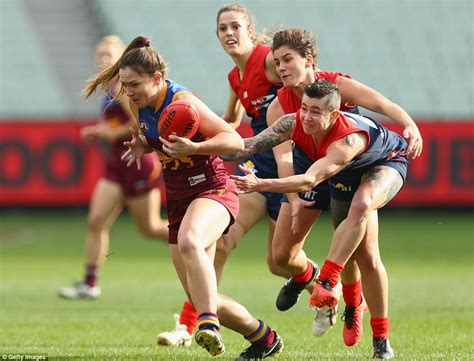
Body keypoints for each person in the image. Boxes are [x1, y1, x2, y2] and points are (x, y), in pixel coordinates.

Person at [83, 35, 284, 360]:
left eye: (133, 84)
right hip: (177, 196)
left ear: (157, 78)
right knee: (201, 294)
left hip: (213, 187)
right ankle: (263, 336)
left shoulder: (183, 102)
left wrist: (196, 148)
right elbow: (151, 134)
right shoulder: (137, 101)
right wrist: (142, 145)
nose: (127, 92)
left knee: (192, 242)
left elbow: (234, 141)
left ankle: (208, 327)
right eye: (124, 85)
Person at [157, 4, 334, 346]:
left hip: (289, 173)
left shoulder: (267, 60)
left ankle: (325, 289)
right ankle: (190, 325)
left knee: (280, 263)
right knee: (219, 243)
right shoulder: (235, 78)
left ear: (250, 31)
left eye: (235, 26)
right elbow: (228, 121)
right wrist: (196, 137)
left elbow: (308, 79)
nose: (229, 33)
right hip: (257, 175)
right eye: (222, 28)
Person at [264, 28, 422, 344]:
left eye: (287, 60)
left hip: (354, 171)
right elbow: (284, 160)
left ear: (308, 60)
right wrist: (293, 198)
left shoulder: (337, 85)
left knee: (363, 253)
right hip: (311, 171)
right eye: (276, 62)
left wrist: (410, 124)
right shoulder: (278, 107)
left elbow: (381, 103)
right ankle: (309, 278)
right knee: (281, 255)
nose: (281, 68)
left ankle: (361, 314)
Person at [231, 79, 408, 359]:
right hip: (340, 173)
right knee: (294, 253)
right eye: (304, 108)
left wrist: (259, 184)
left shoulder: (348, 139)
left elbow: (310, 180)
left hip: (383, 163)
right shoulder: (291, 121)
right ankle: (345, 298)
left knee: (366, 238)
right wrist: (195, 148)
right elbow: (249, 145)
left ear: (333, 114)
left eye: (315, 111)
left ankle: (379, 339)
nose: (306, 116)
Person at [58, 35, 168, 300]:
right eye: (100, 54)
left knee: (150, 227)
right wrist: (105, 132)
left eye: (110, 54)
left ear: (122, 57)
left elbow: (141, 124)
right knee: (96, 221)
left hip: (139, 162)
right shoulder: (110, 86)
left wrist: (107, 131)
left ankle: (200, 240)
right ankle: (90, 283)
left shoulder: (123, 87)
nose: (104, 59)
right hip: (118, 164)